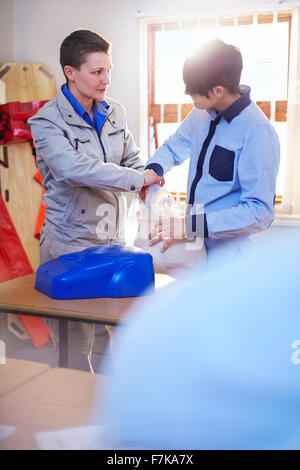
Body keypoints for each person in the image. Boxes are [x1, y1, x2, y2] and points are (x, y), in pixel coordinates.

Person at [29, 30, 163, 372]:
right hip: (71, 245)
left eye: (109, 70)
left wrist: (146, 178)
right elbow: (76, 169)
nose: (106, 80)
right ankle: (75, 419)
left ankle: (118, 411)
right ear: (70, 72)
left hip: (116, 239)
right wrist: (137, 180)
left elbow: (132, 158)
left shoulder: (114, 110)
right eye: (97, 72)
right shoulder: (46, 122)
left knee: (123, 335)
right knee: (76, 347)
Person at [93, 228, 300, 450]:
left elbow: (258, 212)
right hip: (208, 264)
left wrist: (192, 223)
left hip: (223, 263)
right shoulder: (166, 316)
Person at [143, 39, 280, 266]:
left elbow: (259, 213)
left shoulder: (258, 132)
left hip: (228, 260)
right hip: (195, 251)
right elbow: (172, 147)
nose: (189, 95)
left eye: (193, 92)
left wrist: (189, 225)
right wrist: (152, 172)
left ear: (217, 91)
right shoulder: (202, 113)